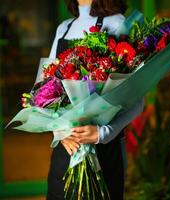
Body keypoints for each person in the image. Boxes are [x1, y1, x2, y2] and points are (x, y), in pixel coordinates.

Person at [37, 0, 144, 199]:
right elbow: (42, 91)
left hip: (105, 150)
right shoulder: (64, 28)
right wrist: (59, 130)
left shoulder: (119, 23)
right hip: (66, 147)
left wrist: (104, 133)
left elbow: (138, 100)